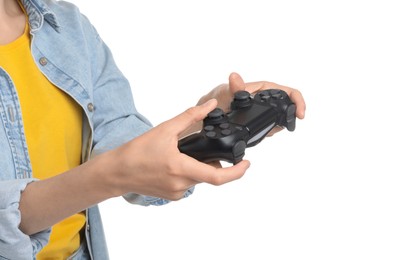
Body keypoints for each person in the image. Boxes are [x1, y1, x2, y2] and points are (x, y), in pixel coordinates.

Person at [0, 0, 306, 259]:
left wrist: (203, 121)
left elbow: (117, 136)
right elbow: (118, 169)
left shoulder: (65, 25)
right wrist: (110, 176)